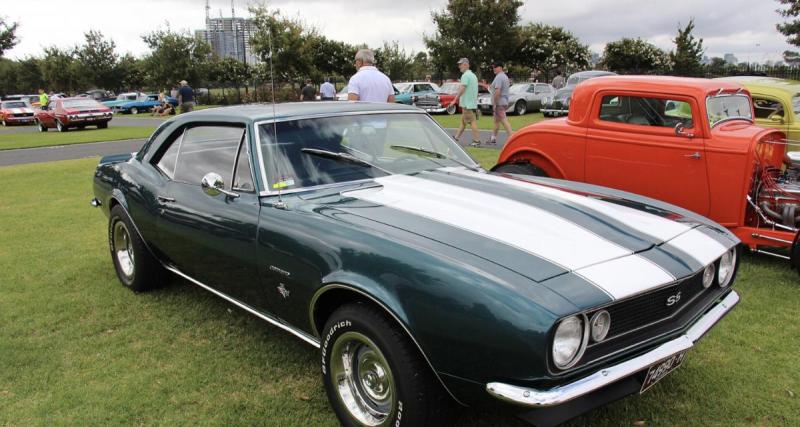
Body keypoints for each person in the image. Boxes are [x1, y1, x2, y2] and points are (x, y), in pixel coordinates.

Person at [448, 58, 481, 147]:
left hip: (467, 104)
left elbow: (462, 88)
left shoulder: (465, 76)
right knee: (463, 122)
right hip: (471, 103)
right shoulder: (473, 75)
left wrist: (455, 100)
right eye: (459, 64)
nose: (459, 66)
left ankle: (476, 141)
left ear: (466, 65)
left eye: (461, 64)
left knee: (472, 121)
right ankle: (456, 137)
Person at [487, 61, 513, 145]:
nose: (494, 68)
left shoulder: (499, 77)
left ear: (500, 68)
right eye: (493, 67)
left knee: (504, 121)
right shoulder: (504, 76)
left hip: (499, 102)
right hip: (503, 101)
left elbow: (497, 91)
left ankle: (512, 138)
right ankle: (493, 138)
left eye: (495, 67)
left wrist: (494, 103)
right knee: (496, 121)